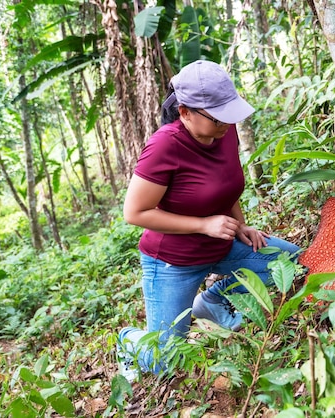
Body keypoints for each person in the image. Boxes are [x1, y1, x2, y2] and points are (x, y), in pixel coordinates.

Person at [117, 60, 300, 379]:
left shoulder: (224, 132)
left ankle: (213, 301)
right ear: (185, 112)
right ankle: (128, 342)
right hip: (172, 261)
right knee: (166, 363)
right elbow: (134, 213)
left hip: (221, 245)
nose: (226, 124)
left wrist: (240, 225)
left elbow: (226, 185)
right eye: (217, 117)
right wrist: (204, 225)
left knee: (292, 262)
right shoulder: (165, 146)